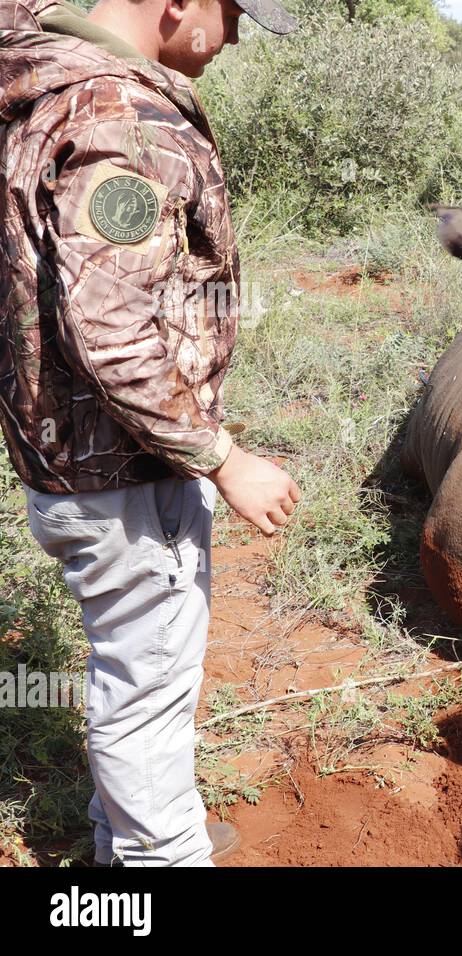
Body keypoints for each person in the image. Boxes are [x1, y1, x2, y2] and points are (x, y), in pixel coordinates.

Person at [0, 0, 301, 866]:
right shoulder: (121, 122)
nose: (235, 35)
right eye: (231, 11)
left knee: (131, 678)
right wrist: (223, 457)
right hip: (127, 478)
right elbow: (112, 329)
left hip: (72, 463)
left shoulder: (45, 81)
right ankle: (157, 860)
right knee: (149, 696)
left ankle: (123, 838)